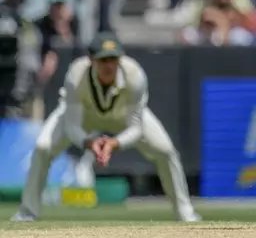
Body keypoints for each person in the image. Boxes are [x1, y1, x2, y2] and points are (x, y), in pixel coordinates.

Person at [11, 32, 200, 222]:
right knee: (43, 147)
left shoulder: (135, 75)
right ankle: (28, 212)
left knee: (165, 150)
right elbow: (71, 126)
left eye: (113, 59)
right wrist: (89, 142)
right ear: (91, 60)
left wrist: (113, 143)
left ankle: (185, 213)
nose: (109, 65)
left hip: (121, 115)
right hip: (84, 115)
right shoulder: (76, 75)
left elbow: (136, 128)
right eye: (103, 60)